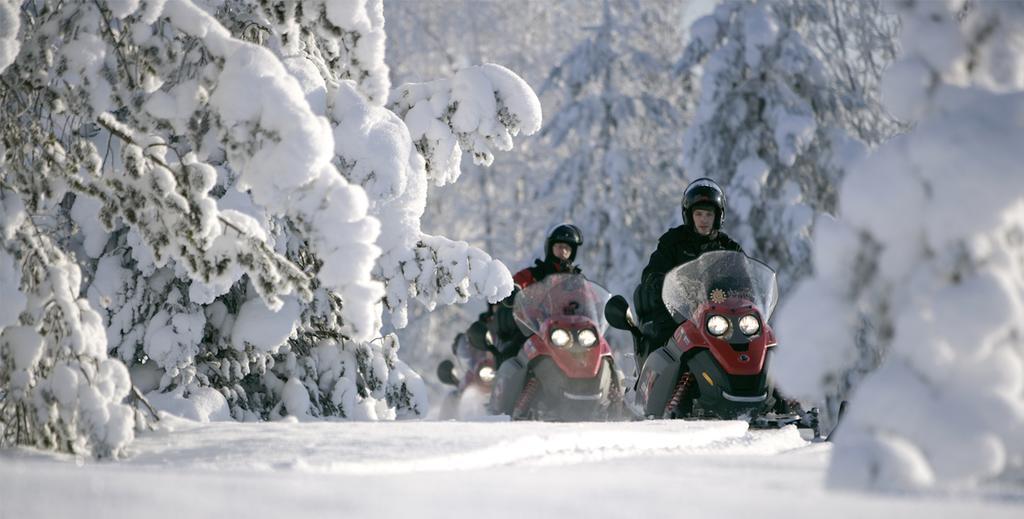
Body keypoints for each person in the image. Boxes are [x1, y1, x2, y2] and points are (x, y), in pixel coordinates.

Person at [633, 178, 743, 360]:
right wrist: (663, 284)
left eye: (708, 215)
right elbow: (652, 273)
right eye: (699, 214)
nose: (704, 220)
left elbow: (746, 278)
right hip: (678, 314)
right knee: (662, 345)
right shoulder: (673, 242)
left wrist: (743, 291)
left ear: (718, 216)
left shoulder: (729, 248)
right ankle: (654, 384)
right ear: (689, 215)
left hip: (720, 318)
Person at [492, 223, 584, 365]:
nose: (563, 252)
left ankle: (615, 384)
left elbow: (591, 298)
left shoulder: (578, 280)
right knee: (511, 355)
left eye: (567, 248)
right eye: (559, 246)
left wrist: (599, 307)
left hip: (572, 331)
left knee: (600, 349)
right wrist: (513, 291)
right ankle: (505, 383)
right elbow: (514, 284)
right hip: (535, 328)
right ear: (550, 248)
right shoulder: (535, 273)